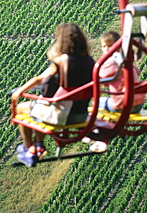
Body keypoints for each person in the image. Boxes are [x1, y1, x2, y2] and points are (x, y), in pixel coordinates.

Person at [11, 23, 95, 167]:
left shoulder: (62, 61)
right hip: (81, 115)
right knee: (40, 107)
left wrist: (19, 91)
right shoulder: (90, 61)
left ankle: (29, 148)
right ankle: (38, 144)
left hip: (61, 116)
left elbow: (40, 79)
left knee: (20, 109)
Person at [82, 30, 146, 152]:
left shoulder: (111, 62)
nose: (106, 49)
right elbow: (137, 71)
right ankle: (102, 138)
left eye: (110, 46)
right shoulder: (127, 61)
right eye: (104, 46)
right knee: (107, 104)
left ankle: (97, 134)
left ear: (118, 46)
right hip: (138, 104)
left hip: (122, 104)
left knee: (97, 103)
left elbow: (100, 79)